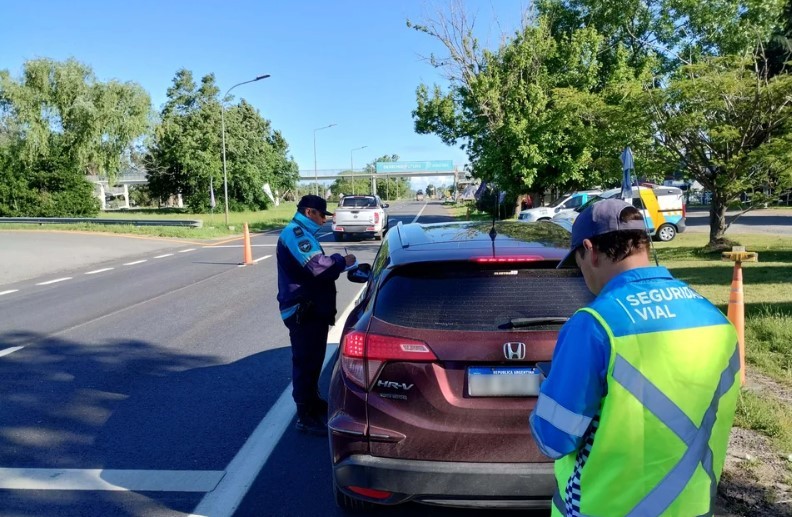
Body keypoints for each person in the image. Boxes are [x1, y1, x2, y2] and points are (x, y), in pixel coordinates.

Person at [530, 198, 740, 516]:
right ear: (643, 242)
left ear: (591, 249)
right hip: (693, 508)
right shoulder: (716, 321)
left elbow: (554, 439)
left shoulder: (594, 325)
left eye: (578, 261)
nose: (583, 274)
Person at [277, 194, 356, 435]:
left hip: (312, 310)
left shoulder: (302, 232)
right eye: (322, 215)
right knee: (306, 362)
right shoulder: (297, 234)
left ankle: (313, 401)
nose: (324, 221)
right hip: (304, 311)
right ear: (309, 212)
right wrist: (343, 261)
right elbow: (318, 267)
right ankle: (305, 415)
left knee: (313, 361)